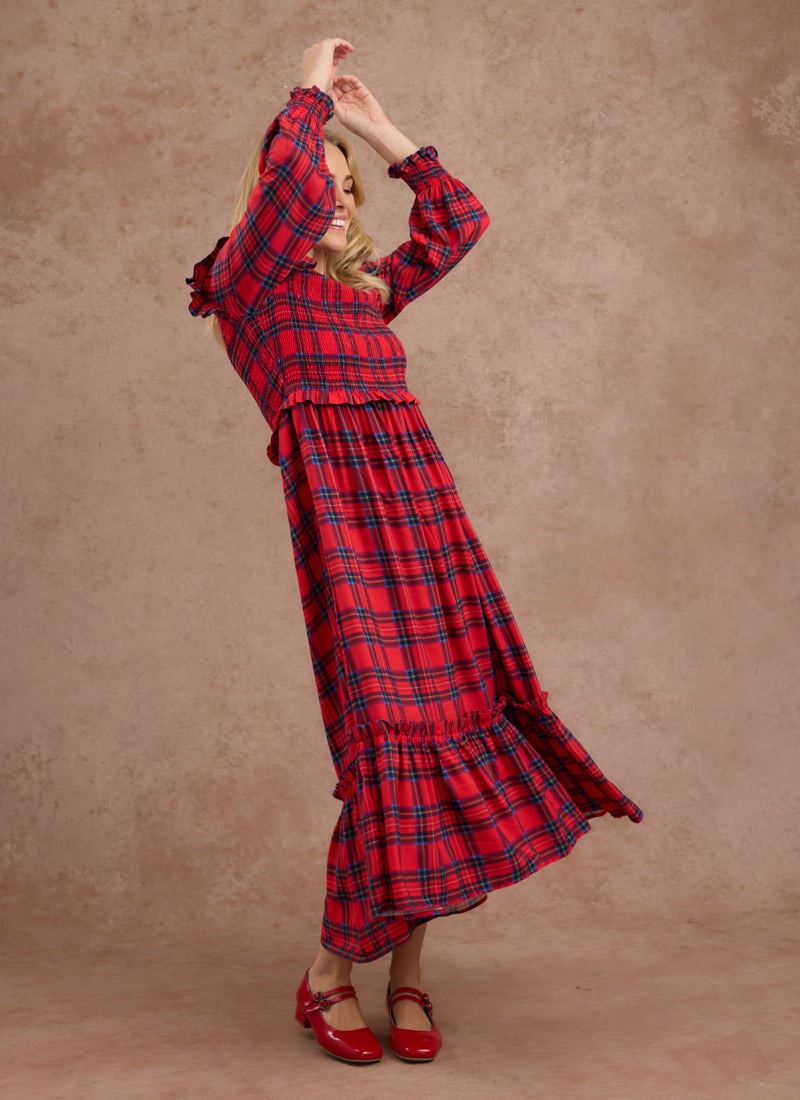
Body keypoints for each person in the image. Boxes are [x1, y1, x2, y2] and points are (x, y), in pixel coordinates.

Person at [186, 37, 643, 1067]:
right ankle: (327, 973)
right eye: (322, 186)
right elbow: (289, 172)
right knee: (387, 743)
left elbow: (460, 219)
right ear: (274, 201)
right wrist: (311, 82)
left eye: (349, 190)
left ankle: (405, 974)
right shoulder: (248, 286)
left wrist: (379, 130)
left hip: (427, 524)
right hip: (349, 539)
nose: (337, 201)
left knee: (452, 717)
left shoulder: (367, 293)